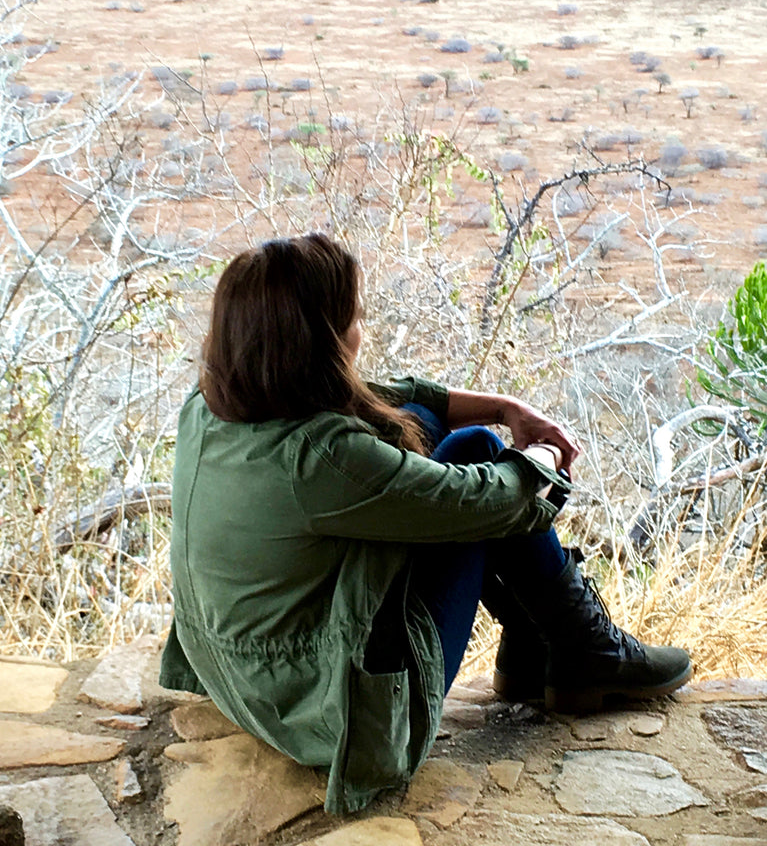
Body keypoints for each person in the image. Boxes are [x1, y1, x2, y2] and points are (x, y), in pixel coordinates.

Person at [159, 233, 692, 814]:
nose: (361, 330)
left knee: (426, 425)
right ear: (320, 343)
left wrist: (503, 406)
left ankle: (536, 649)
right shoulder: (319, 459)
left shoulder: (214, 404)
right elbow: (497, 500)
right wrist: (541, 460)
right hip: (323, 713)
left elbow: (389, 399)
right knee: (480, 458)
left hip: (240, 676)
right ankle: (579, 651)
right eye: (354, 319)